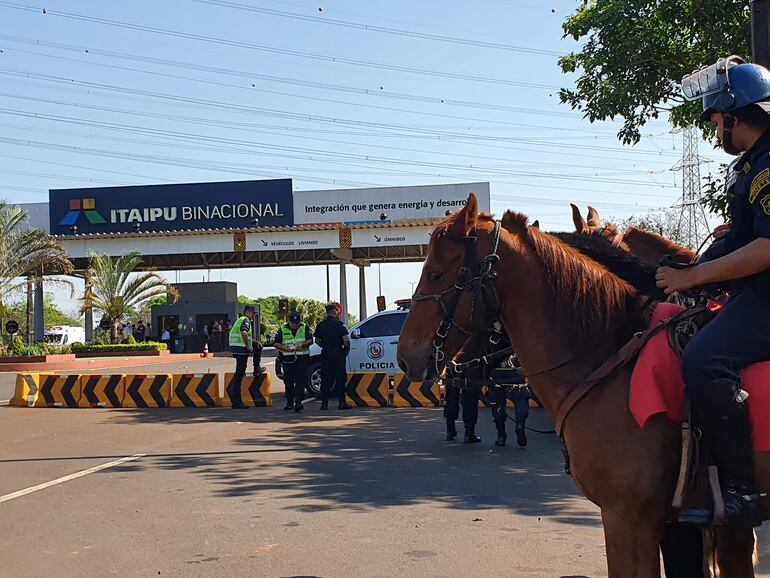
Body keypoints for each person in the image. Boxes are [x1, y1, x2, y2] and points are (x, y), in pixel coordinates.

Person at [656, 55, 770, 527]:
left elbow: (768, 248)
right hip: (755, 295)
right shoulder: (753, 165)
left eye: (715, 121)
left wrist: (692, 278)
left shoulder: (768, 166)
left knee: (704, 359)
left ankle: (744, 489)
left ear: (731, 116)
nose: (714, 132)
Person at [273, 311, 313, 412]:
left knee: (300, 381)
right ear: (289, 321)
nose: (295, 325)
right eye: (293, 323)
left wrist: (303, 345)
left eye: (297, 323)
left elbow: (310, 340)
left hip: (301, 358)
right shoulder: (282, 329)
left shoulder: (304, 327)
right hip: (288, 359)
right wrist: (284, 348)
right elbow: (276, 343)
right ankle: (290, 402)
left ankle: (299, 403)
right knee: (288, 381)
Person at [314, 304, 351, 410]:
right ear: (334, 311)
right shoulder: (339, 324)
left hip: (325, 353)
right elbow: (346, 340)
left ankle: (324, 404)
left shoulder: (321, 325)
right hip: (337, 353)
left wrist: (325, 346)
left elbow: (317, 340)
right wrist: (346, 351)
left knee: (325, 378)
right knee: (340, 378)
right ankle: (341, 403)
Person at [227, 305, 257, 409]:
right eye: (253, 313)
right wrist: (248, 346)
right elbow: (244, 333)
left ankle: (232, 392)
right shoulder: (246, 320)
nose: (253, 316)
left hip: (235, 348)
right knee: (239, 374)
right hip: (241, 349)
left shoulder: (239, 319)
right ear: (247, 312)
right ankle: (236, 400)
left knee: (239, 373)